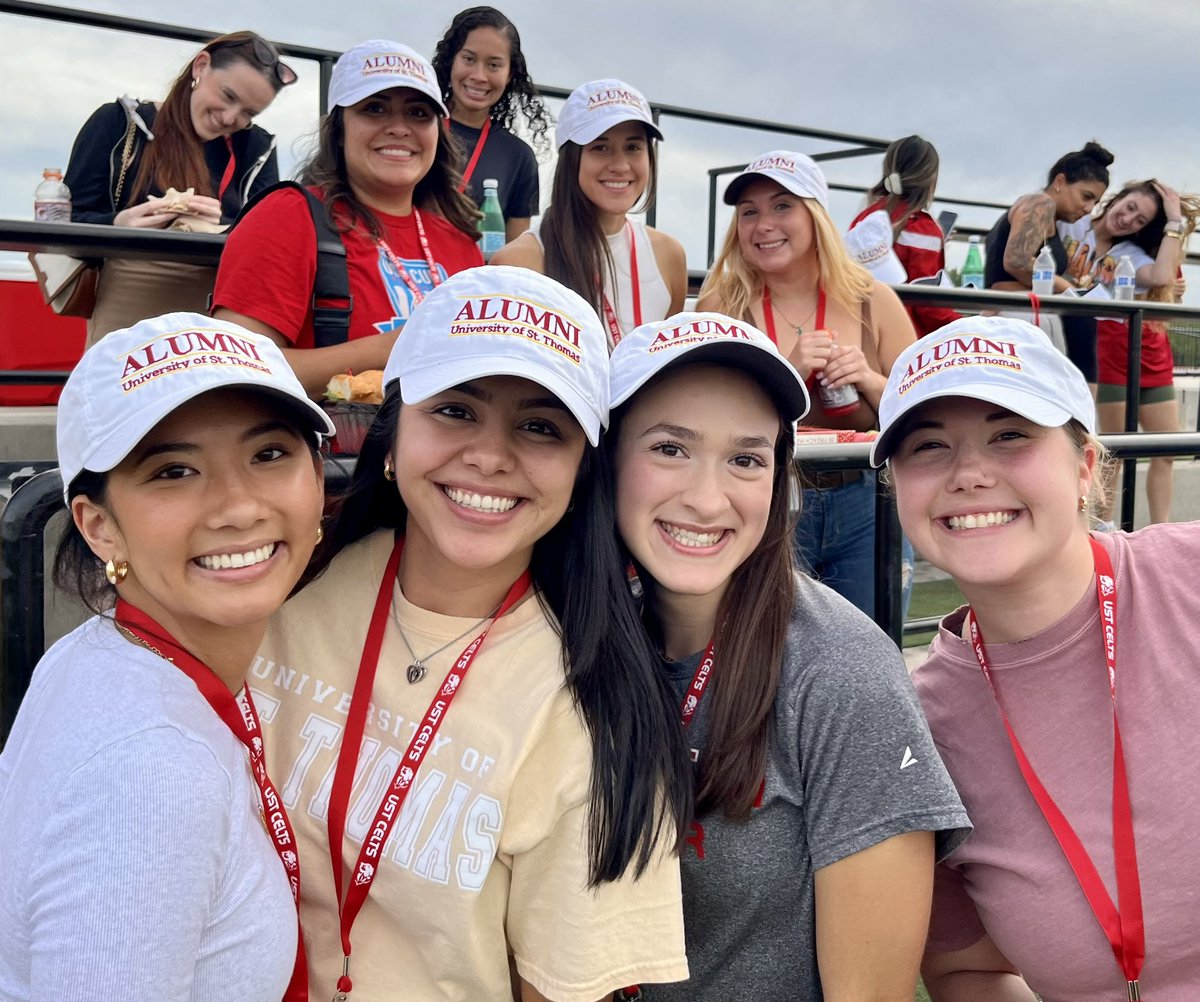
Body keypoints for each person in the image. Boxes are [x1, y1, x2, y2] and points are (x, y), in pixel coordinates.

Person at [251, 267, 692, 1000]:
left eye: (541, 426)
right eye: (455, 411)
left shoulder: (596, 710)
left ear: (583, 473)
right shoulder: (288, 581)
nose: (490, 455)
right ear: (392, 437)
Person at [607, 312, 970, 1000]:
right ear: (609, 455)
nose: (707, 498)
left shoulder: (840, 669)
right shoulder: (574, 633)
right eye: (669, 449)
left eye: (745, 459)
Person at [0, 312, 332, 999]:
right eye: (174, 471)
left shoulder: (98, 653)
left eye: (269, 453)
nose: (237, 507)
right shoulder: (150, 767)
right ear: (99, 527)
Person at [872, 314, 1200, 1000]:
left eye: (1009, 435)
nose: (968, 473)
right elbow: (968, 968)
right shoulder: (916, 731)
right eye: (928, 446)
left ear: (1085, 466)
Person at [697, 151, 917, 618]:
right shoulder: (722, 303)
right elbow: (706, 419)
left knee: (872, 652)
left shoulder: (873, 299)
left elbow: (920, 412)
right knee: (760, 654)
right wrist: (787, 373)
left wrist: (869, 379)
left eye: (782, 206)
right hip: (767, 501)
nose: (763, 224)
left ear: (815, 214)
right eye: (748, 211)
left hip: (866, 501)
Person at [213, 40, 484, 399]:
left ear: (439, 132)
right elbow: (230, 367)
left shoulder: (461, 245)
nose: (399, 128)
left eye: (419, 113)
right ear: (338, 129)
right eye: (375, 109)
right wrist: (393, 349)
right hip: (333, 452)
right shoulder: (287, 216)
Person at [65, 32, 296, 345]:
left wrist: (227, 227)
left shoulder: (257, 147)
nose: (230, 118)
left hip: (220, 313)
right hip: (128, 305)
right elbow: (65, 226)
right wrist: (120, 225)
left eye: (249, 113)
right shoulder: (119, 123)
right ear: (200, 66)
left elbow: (270, 246)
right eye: (228, 96)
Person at [492, 78, 686, 347]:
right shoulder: (518, 262)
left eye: (633, 147)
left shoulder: (669, 254)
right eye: (600, 147)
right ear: (571, 159)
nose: (620, 165)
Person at [1059, 179, 1200, 525]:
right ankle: (1100, 531)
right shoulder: (1072, 225)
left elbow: (1164, 279)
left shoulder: (1132, 256)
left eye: (1140, 220)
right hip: (1105, 349)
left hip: (1149, 353)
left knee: (1166, 449)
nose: (1129, 219)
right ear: (1118, 198)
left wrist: (1172, 220)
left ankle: (1161, 530)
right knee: (1112, 452)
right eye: (1130, 207)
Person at [983, 140, 1114, 379]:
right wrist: (1070, 289)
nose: (1089, 208)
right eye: (1086, 196)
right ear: (1060, 181)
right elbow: (1016, 260)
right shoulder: (1040, 203)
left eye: (1095, 202)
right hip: (1025, 315)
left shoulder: (1045, 214)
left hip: (1021, 314)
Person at [431, 6, 552, 240]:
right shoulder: (415, 132)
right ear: (451, 61)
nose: (479, 75)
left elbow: (511, 261)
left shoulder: (519, 157)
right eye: (468, 59)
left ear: (509, 75)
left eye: (494, 65)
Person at [851, 134, 960, 337]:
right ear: (931, 179)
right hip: (907, 340)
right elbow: (928, 306)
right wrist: (968, 324)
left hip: (861, 332)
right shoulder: (923, 227)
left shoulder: (865, 217)